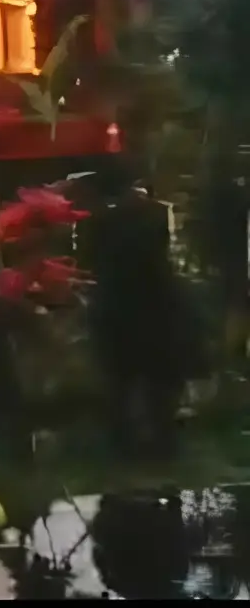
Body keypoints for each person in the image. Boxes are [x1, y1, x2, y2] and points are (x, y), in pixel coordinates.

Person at [82, 167, 192, 460]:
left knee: (120, 385)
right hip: (156, 309)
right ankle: (164, 447)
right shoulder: (155, 216)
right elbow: (161, 258)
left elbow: (92, 261)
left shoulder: (100, 221)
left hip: (116, 310)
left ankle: (122, 447)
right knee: (160, 386)